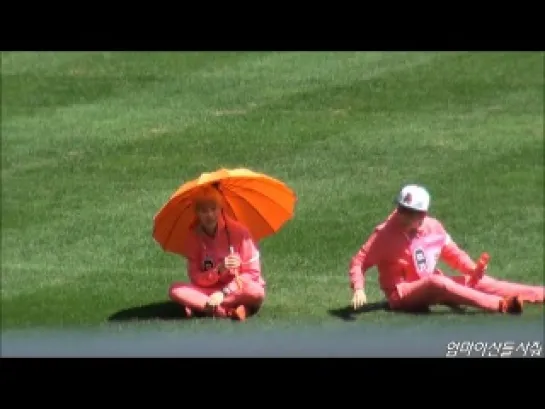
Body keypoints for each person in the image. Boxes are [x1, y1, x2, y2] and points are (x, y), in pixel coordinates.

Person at [349, 184, 544, 315]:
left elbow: (453, 254)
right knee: (437, 282)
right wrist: (358, 288)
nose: (401, 214)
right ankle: (501, 305)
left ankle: (538, 294)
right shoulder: (384, 234)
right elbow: (359, 261)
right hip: (401, 295)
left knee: (479, 282)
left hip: (433, 283)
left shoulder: (433, 227)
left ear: (421, 214)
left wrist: (472, 269)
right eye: (400, 208)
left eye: (407, 211)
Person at [169, 186, 266, 321]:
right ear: (196, 212)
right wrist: (218, 271)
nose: (209, 215)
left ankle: (202, 306)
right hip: (209, 290)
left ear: (221, 209)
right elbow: (195, 277)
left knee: (256, 292)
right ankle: (226, 311)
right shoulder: (193, 237)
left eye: (213, 209)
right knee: (176, 290)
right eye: (203, 211)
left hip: (238, 289)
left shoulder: (239, 232)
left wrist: (223, 293)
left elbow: (252, 273)